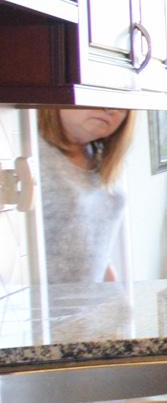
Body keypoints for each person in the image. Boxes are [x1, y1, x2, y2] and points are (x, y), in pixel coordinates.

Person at [36, 107, 133, 282]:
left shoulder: (103, 160)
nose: (109, 109)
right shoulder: (28, 153)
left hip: (96, 302)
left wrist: (117, 300)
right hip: (40, 306)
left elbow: (97, 251)